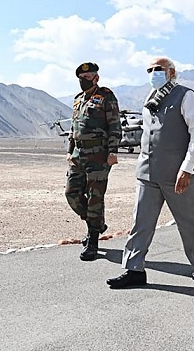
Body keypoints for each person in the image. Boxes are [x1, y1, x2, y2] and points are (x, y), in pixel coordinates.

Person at [106, 57, 194, 289]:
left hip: (177, 174)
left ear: (171, 72)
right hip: (147, 172)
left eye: (159, 69)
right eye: (150, 70)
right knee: (140, 222)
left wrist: (187, 169)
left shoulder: (185, 95)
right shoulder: (149, 98)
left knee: (189, 221)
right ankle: (134, 269)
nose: (154, 73)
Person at [65, 62, 122, 261]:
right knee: (71, 193)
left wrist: (113, 151)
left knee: (94, 197)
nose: (85, 80)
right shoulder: (77, 100)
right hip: (78, 155)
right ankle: (96, 223)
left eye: (89, 77)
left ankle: (93, 240)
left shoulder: (106, 96)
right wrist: (70, 151)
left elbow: (115, 125)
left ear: (96, 77)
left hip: (98, 154)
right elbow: (74, 128)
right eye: (82, 77)